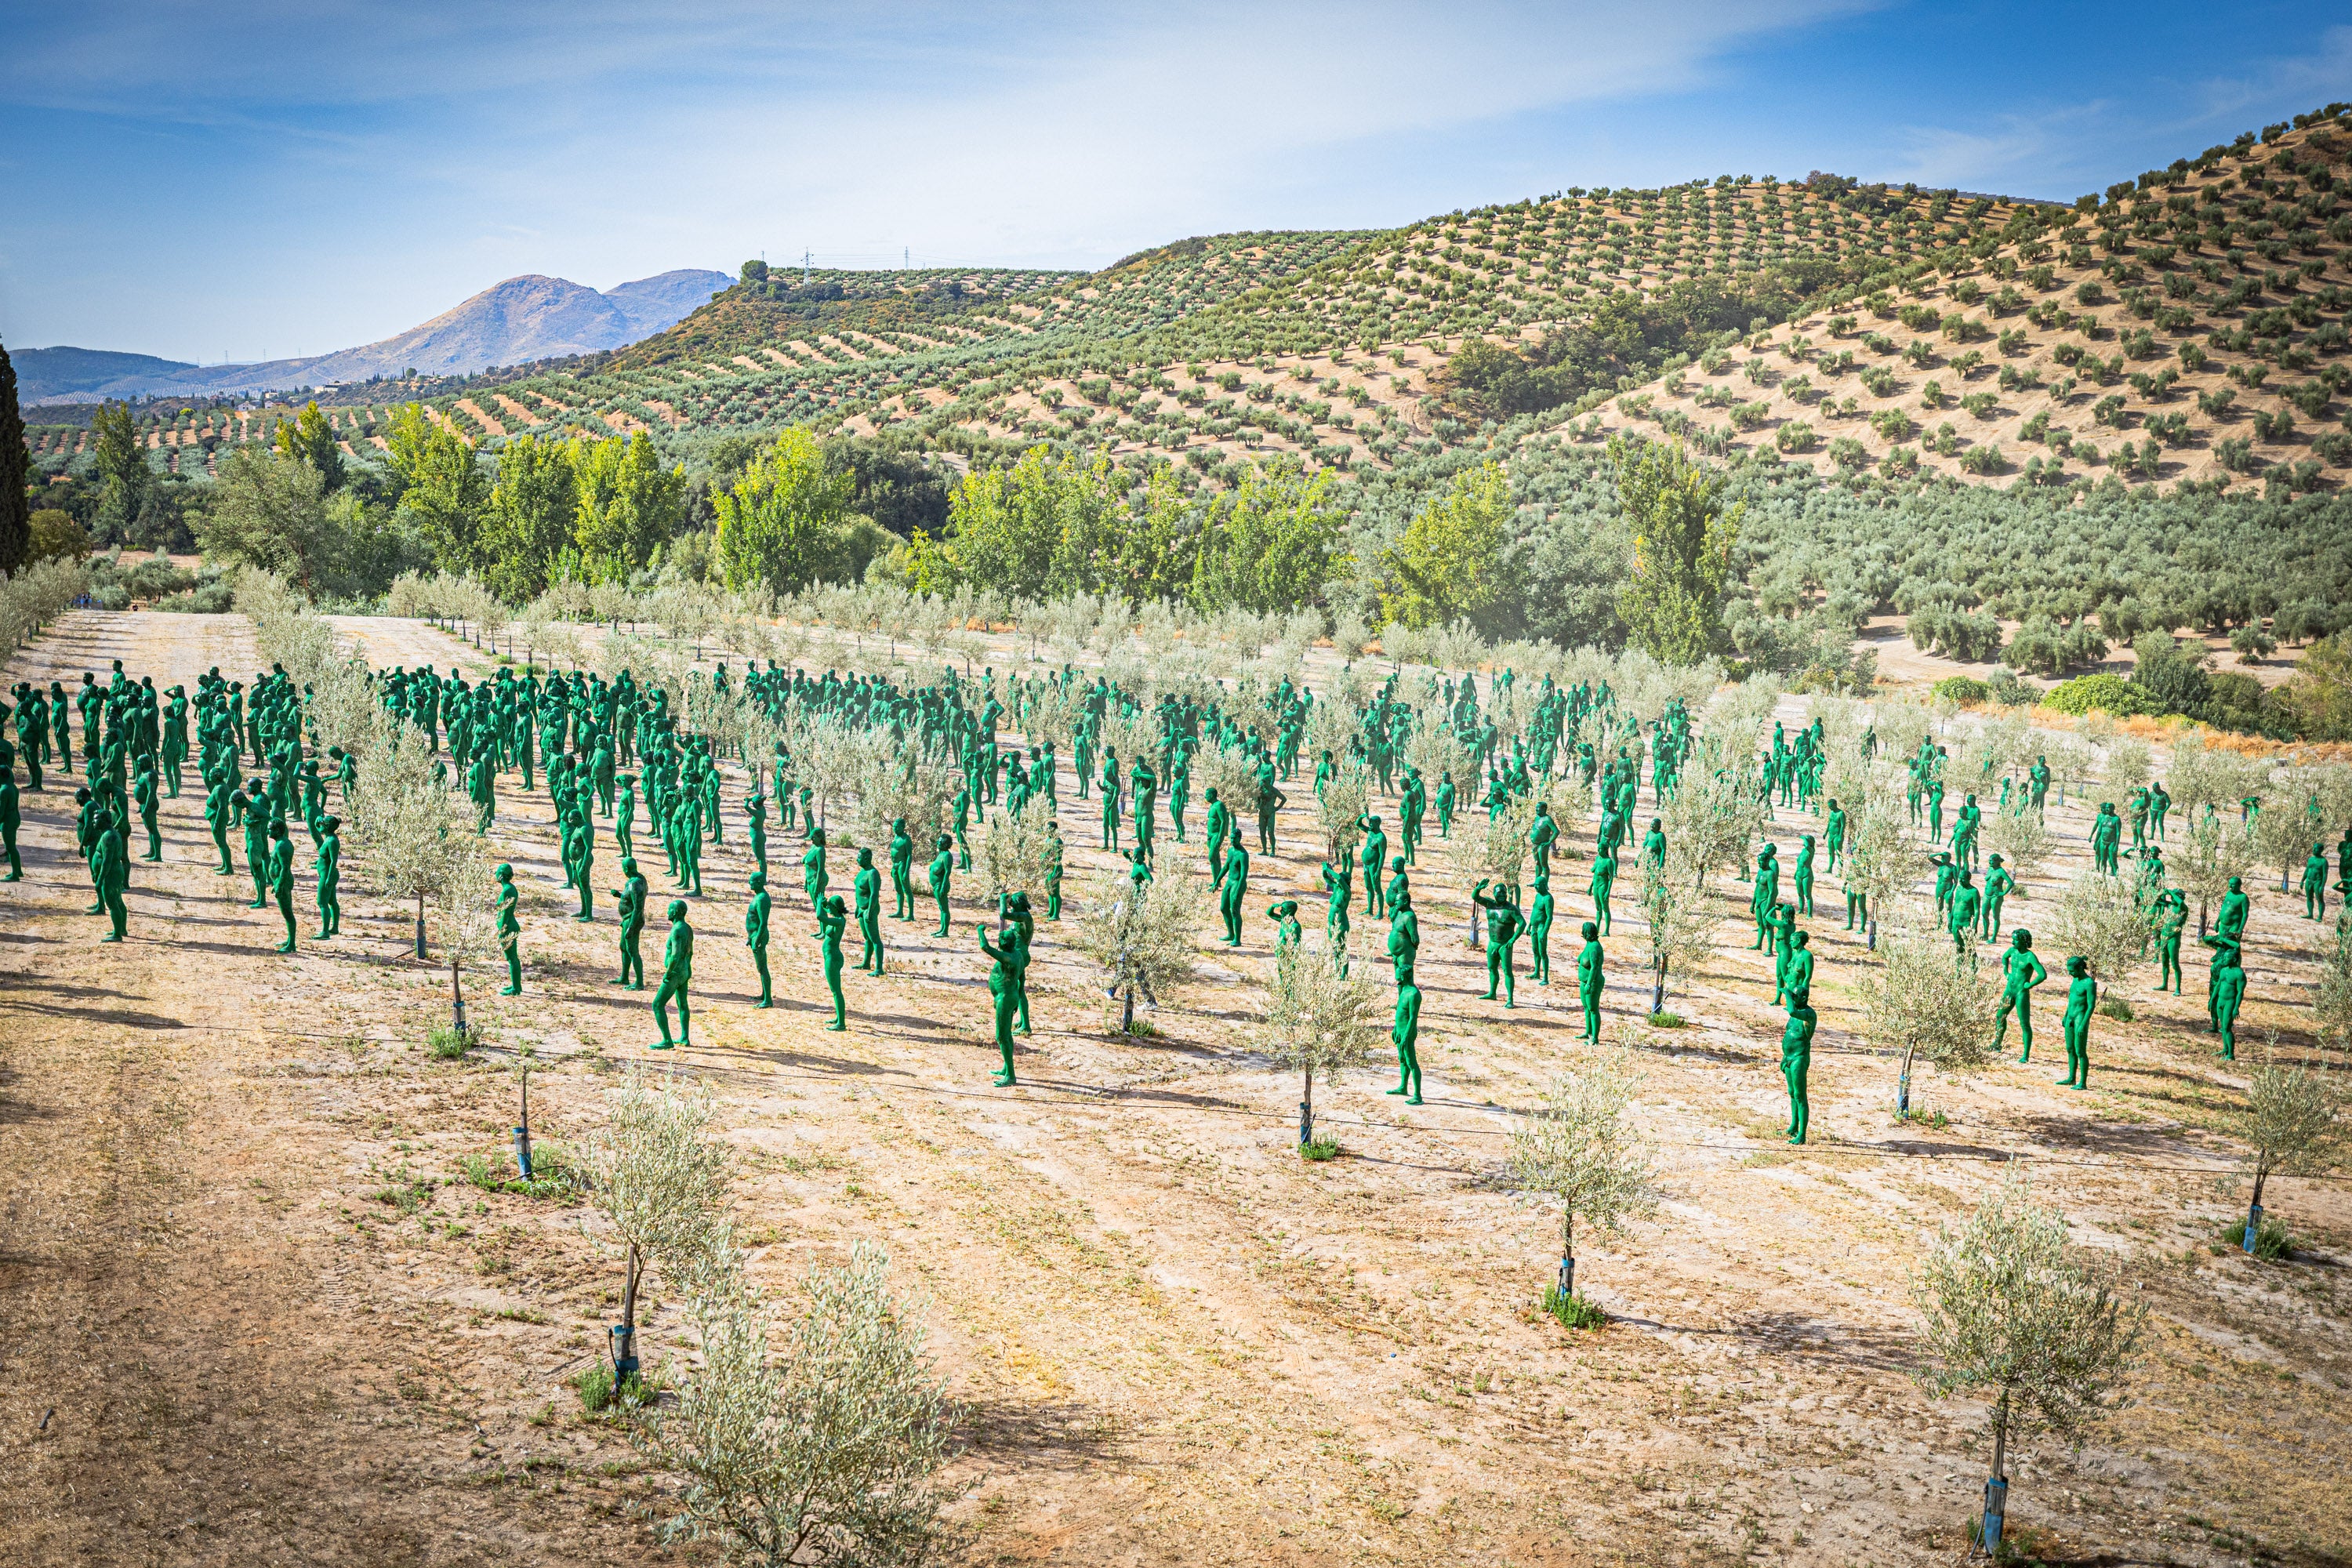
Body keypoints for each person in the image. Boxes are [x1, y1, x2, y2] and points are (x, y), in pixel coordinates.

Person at [1386, 888, 1422, 1104]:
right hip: (1400, 1029)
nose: (1396, 902)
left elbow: (1415, 939)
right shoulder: (1398, 913)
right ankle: (1403, 1086)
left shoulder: (1413, 994)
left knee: (1410, 1060)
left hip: (1407, 1031)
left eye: (1399, 901)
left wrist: (1406, 1034)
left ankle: (1417, 1094)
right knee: (1402, 1058)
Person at [1992, 928, 2046, 1060]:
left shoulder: (2030, 956)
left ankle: (2025, 1055)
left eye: (2015, 940)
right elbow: (2005, 957)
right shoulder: (2012, 951)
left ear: (2023, 940)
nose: (2012, 942)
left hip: (2021, 993)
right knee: (2000, 1016)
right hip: (2009, 990)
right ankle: (1997, 1043)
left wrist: (2030, 984)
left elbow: (2043, 974)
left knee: (2024, 1023)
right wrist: (2006, 972)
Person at [978, 920, 1021, 1084]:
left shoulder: (1008, 957)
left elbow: (985, 947)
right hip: (1011, 995)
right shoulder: (1017, 955)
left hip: (1005, 998)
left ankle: (1010, 1075)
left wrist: (980, 930)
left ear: (1003, 945)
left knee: (1001, 1036)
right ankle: (1006, 1067)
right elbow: (1021, 977)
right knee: (1007, 1034)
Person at [1473, 880, 1525, 1007]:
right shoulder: (1489, 904)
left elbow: (1522, 923)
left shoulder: (1511, 909)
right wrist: (1478, 889)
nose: (1502, 895)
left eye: (1504, 893)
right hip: (1492, 943)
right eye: (1499, 893)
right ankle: (1492, 993)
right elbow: (1475, 897)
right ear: (1494, 894)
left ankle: (1510, 999)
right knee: (1492, 968)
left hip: (1504, 945)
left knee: (1507, 971)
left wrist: (1513, 940)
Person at [652, 900, 695, 1048]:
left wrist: (668, 973)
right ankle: (684, 1037)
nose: (667, 912)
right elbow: (690, 951)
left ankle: (667, 1041)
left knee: (657, 1004)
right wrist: (688, 969)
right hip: (684, 970)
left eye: (670, 909)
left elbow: (675, 955)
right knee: (682, 1004)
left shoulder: (676, 930)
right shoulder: (687, 928)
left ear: (676, 912)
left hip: (675, 972)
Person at [1780, 987, 1816, 1145]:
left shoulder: (1808, 1014)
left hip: (1799, 1059)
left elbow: (1792, 1011)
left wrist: (1786, 993)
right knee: (1792, 1093)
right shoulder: (1796, 1014)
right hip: (1789, 1057)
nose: (1793, 999)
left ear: (1803, 997)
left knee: (1801, 1096)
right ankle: (1794, 1126)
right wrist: (1784, 1056)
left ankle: (1802, 1134)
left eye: (1795, 996)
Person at [2057, 956, 2096, 1090]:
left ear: (2080, 968)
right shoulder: (2075, 980)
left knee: (2080, 1051)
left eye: (2072, 971)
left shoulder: (2089, 983)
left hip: (2080, 1018)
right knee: (2070, 1049)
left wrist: (2084, 1024)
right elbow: (2071, 1000)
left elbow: (2091, 1006)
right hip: (2070, 1017)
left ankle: (2083, 1082)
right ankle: (2071, 1077)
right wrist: (2066, 1015)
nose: (2070, 973)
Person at [814, 893, 848, 1030]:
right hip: (832, 957)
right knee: (835, 990)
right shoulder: (837, 918)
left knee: (836, 991)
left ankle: (841, 1024)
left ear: (835, 907)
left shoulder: (839, 921)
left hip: (833, 958)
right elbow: (826, 915)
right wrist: (823, 906)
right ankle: (838, 1017)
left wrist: (818, 904)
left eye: (830, 905)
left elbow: (820, 917)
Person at [613, 856, 648, 989]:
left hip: (632, 919)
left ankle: (639, 983)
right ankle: (624, 977)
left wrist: (631, 927)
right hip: (627, 919)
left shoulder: (634, 883)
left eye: (623, 868)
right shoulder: (638, 880)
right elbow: (629, 899)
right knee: (624, 947)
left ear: (626, 869)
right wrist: (619, 896)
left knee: (632, 950)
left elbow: (638, 907)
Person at [854, 846, 884, 975]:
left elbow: (874, 894)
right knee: (867, 937)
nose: (857, 859)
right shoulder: (862, 872)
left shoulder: (873, 873)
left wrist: (870, 911)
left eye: (859, 857)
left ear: (867, 858)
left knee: (875, 938)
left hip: (869, 909)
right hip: (862, 908)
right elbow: (859, 892)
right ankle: (866, 963)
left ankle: (879, 968)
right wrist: (857, 907)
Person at [746, 871, 773, 1007]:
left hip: (759, 936)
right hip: (755, 935)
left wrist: (756, 939)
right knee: (760, 968)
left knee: (762, 968)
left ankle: (768, 1000)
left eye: (752, 880)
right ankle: (764, 994)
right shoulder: (758, 896)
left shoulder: (762, 899)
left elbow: (763, 922)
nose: (749, 883)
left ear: (759, 882)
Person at [1575, 920, 1604, 1044]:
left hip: (1592, 983)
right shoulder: (1589, 944)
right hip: (1584, 982)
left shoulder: (1594, 947)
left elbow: (1594, 967)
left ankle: (1595, 1039)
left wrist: (1589, 983)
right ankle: (1588, 1032)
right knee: (1586, 1008)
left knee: (1593, 1009)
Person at [495, 862, 521, 993]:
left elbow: (505, 912)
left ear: (501, 876)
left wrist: (502, 931)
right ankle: (515, 985)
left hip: (508, 928)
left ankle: (516, 988)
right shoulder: (510, 888)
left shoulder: (507, 891)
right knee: (512, 958)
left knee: (512, 959)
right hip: (511, 926)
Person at [314, 815, 342, 938]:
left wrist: (329, 878)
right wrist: (317, 823)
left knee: (322, 902)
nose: (321, 825)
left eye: (323, 824)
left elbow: (333, 861)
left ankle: (325, 932)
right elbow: (320, 831)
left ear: (327, 826)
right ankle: (334, 927)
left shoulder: (332, 841)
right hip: (327, 874)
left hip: (327, 875)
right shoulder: (329, 837)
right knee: (332, 901)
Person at [1528, 873, 1555, 983]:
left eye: (1537, 885)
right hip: (1534, 927)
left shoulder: (1548, 898)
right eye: (1535, 885)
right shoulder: (1537, 896)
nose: (1535, 887)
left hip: (1541, 927)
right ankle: (1536, 972)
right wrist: (1530, 924)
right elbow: (1534, 911)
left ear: (1544, 885)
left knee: (1542, 952)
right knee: (1535, 951)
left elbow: (1549, 917)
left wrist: (1544, 931)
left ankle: (1546, 978)